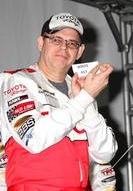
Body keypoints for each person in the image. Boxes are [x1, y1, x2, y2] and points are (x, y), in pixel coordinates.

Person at [0, 12, 118, 191]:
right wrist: (84, 98)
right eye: (56, 39)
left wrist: (87, 101)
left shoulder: (80, 88)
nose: (64, 47)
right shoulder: (18, 81)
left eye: (72, 43)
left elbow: (105, 153)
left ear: (79, 52)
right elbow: (34, 139)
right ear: (41, 43)